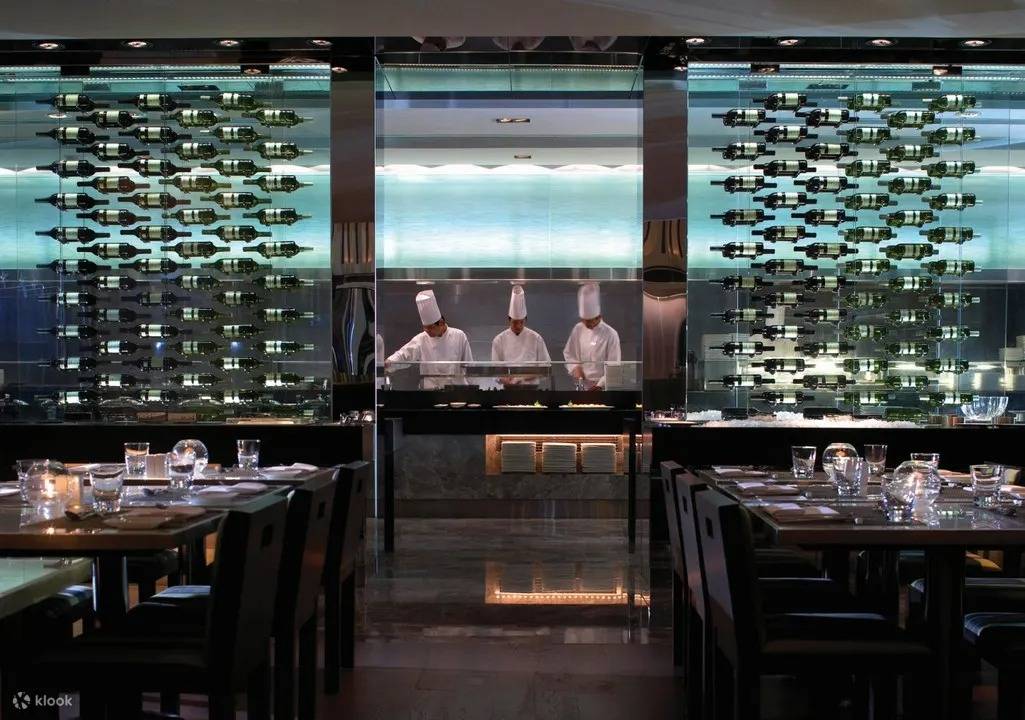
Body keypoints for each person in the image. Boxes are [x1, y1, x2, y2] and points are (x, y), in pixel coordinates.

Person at [385, 289, 473, 389]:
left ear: (441, 323)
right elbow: (404, 354)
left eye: (430, 327)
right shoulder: (421, 339)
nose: (427, 331)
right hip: (430, 392)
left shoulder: (459, 336)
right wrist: (389, 363)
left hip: (456, 392)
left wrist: (474, 391)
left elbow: (469, 365)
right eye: (425, 327)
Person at [563, 282, 621, 390]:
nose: (586, 324)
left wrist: (599, 386)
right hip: (581, 385)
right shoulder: (578, 329)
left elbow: (613, 367)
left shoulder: (611, 334)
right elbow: (569, 354)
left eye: (589, 321)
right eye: (584, 320)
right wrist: (575, 368)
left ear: (599, 317)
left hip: (603, 387)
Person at [491, 285, 551, 385]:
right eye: (515, 322)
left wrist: (524, 378)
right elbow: (495, 370)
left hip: (532, 389)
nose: (518, 326)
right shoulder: (499, 340)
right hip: (508, 390)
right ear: (509, 320)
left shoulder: (536, 338)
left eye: (521, 322)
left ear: (525, 320)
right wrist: (505, 379)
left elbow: (545, 368)